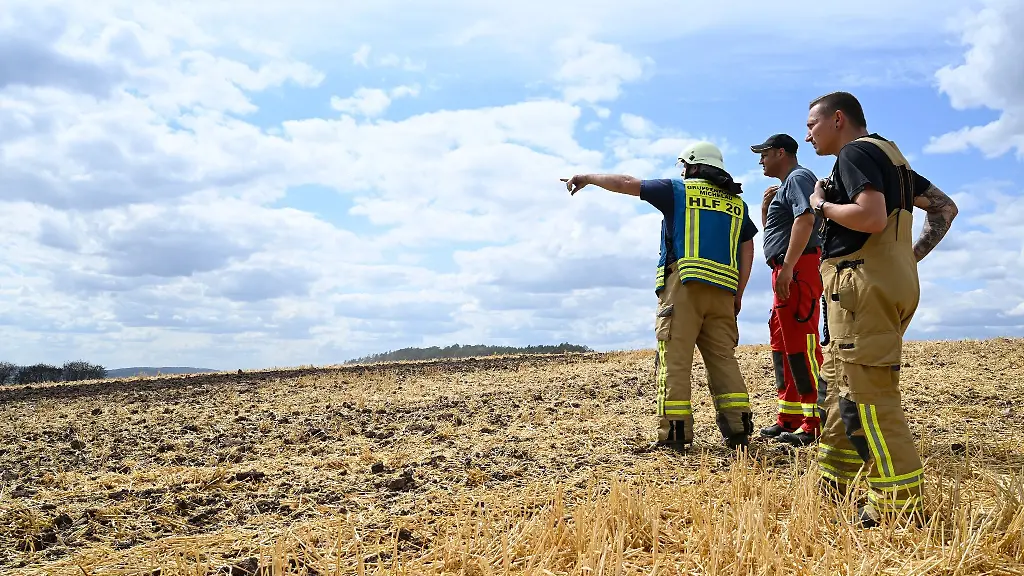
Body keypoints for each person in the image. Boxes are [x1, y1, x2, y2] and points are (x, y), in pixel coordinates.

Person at [805, 91, 958, 527]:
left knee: (869, 397)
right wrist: (907, 258)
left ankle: (898, 505)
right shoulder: (894, 159)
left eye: (812, 125)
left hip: (860, 288)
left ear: (838, 119)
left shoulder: (854, 153)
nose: (809, 135)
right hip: (885, 282)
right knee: (840, 386)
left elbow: (870, 217)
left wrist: (820, 205)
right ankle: (835, 481)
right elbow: (945, 208)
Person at [562, 141, 759, 450]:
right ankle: (739, 432)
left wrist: (587, 177)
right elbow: (747, 249)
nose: (682, 171)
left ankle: (674, 436)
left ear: (694, 166)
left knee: (675, 362)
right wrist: (739, 292)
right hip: (724, 291)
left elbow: (626, 182)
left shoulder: (678, 190)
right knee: (724, 361)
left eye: (685, 166)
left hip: (684, 288)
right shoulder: (737, 205)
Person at [750, 133, 825, 447]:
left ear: (781, 152)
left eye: (765, 153)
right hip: (787, 270)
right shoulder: (787, 185)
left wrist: (789, 267)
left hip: (797, 270)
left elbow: (805, 220)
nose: (761, 160)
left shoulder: (798, 178)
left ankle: (815, 422)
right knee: (783, 345)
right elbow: (779, 232)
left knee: (801, 345)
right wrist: (766, 210)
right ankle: (790, 417)